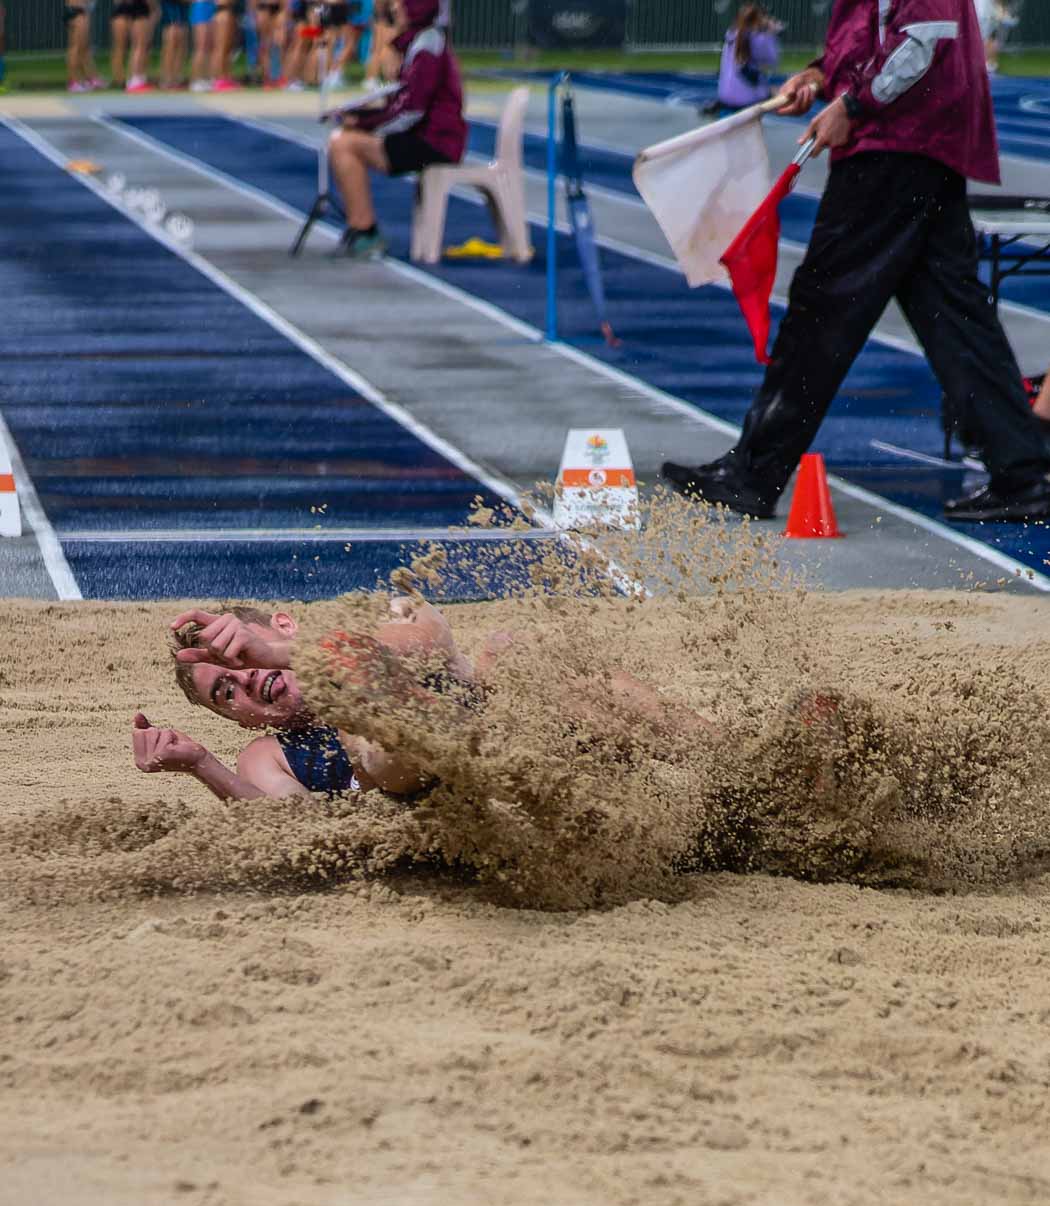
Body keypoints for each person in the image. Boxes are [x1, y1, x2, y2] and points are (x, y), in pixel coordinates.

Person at [662, 0, 1050, 524]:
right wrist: (820, 76)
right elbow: (877, 37)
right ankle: (1021, 472)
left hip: (893, 147)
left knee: (821, 309)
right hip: (923, 148)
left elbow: (923, 37)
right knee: (956, 318)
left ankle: (753, 474)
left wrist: (852, 104)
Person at [132, 597, 715, 801]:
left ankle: (721, 755)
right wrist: (201, 766)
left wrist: (297, 657)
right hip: (450, 792)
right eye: (225, 691)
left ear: (281, 627)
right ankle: (401, 724)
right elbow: (284, 826)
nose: (243, 679)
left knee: (515, 652)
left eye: (240, 659)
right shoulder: (270, 755)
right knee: (372, 748)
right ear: (233, 719)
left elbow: (426, 638)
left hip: (542, 742)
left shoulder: (382, 620)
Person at [327, 0, 465, 259]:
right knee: (345, 138)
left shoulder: (427, 46)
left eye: (402, 3)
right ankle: (361, 227)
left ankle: (365, 230)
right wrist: (361, 116)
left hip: (435, 142)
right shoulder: (421, 42)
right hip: (430, 136)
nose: (395, 8)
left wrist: (364, 124)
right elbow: (402, 103)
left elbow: (412, 111)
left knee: (343, 143)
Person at [717, 4, 781, 110]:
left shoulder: (731, 34)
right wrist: (771, 34)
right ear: (759, 20)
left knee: (766, 88)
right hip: (746, 99)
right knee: (783, 93)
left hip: (725, 96)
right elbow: (773, 61)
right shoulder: (757, 39)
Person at [111, 0, 158, 92]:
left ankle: (120, 80)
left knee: (120, 48)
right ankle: (135, 80)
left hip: (121, 9)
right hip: (139, 9)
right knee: (140, 46)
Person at [65, 0, 103, 92]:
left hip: (78, 11)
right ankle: (73, 82)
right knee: (75, 48)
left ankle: (88, 79)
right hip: (77, 11)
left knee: (83, 48)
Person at [159, 0, 190, 87]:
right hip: (171, 9)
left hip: (182, 11)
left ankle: (176, 77)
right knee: (171, 43)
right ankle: (166, 78)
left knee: (181, 44)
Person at [189, 0, 214, 91]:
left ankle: (206, 79)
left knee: (209, 46)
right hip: (201, 6)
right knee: (201, 46)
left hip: (212, 5)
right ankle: (196, 80)